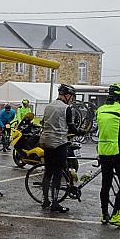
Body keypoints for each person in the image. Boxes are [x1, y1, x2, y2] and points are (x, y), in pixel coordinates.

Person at [39, 84, 82, 213]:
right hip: (59, 144)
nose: (72, 99)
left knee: (48, 172)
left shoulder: (48, 106)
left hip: (46, 142)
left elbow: (43, 123)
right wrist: (82, 132)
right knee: (57, 173)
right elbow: (71, 127)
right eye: (71, 97)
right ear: (67, 95)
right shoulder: (66, 108)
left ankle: (45, 200)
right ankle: (55, 203)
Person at [96, 84, 120, 228]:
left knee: (105, 183)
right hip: (119, 150)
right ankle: (115, 216)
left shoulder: (100, 109)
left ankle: (104, 214)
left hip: (103, 150)